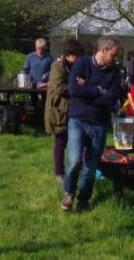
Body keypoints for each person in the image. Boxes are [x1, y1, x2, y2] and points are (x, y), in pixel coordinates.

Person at [60, 35, 123, 212]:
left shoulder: (114, 71)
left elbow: (112, 98)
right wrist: (97, 90)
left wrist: (87, 88)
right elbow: (73, 90)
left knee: (91, 166)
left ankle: (83, 199)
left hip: (99, 123)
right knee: (74, 161)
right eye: (113, 55)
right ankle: (69, 193)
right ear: (103, 51)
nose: (115, 59)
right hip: (78, 120)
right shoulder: (82, 64)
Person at [45, 39, 84, 184]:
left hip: (73, 109)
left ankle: (77, 168)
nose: (79, 58)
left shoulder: (74, 66)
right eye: (77, 55)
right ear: (69, 55)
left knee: (77, 140)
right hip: (59, 110)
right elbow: (57, 88)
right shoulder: (57, 67)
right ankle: (59, 173)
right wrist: (76, 86)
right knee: (61, 141)